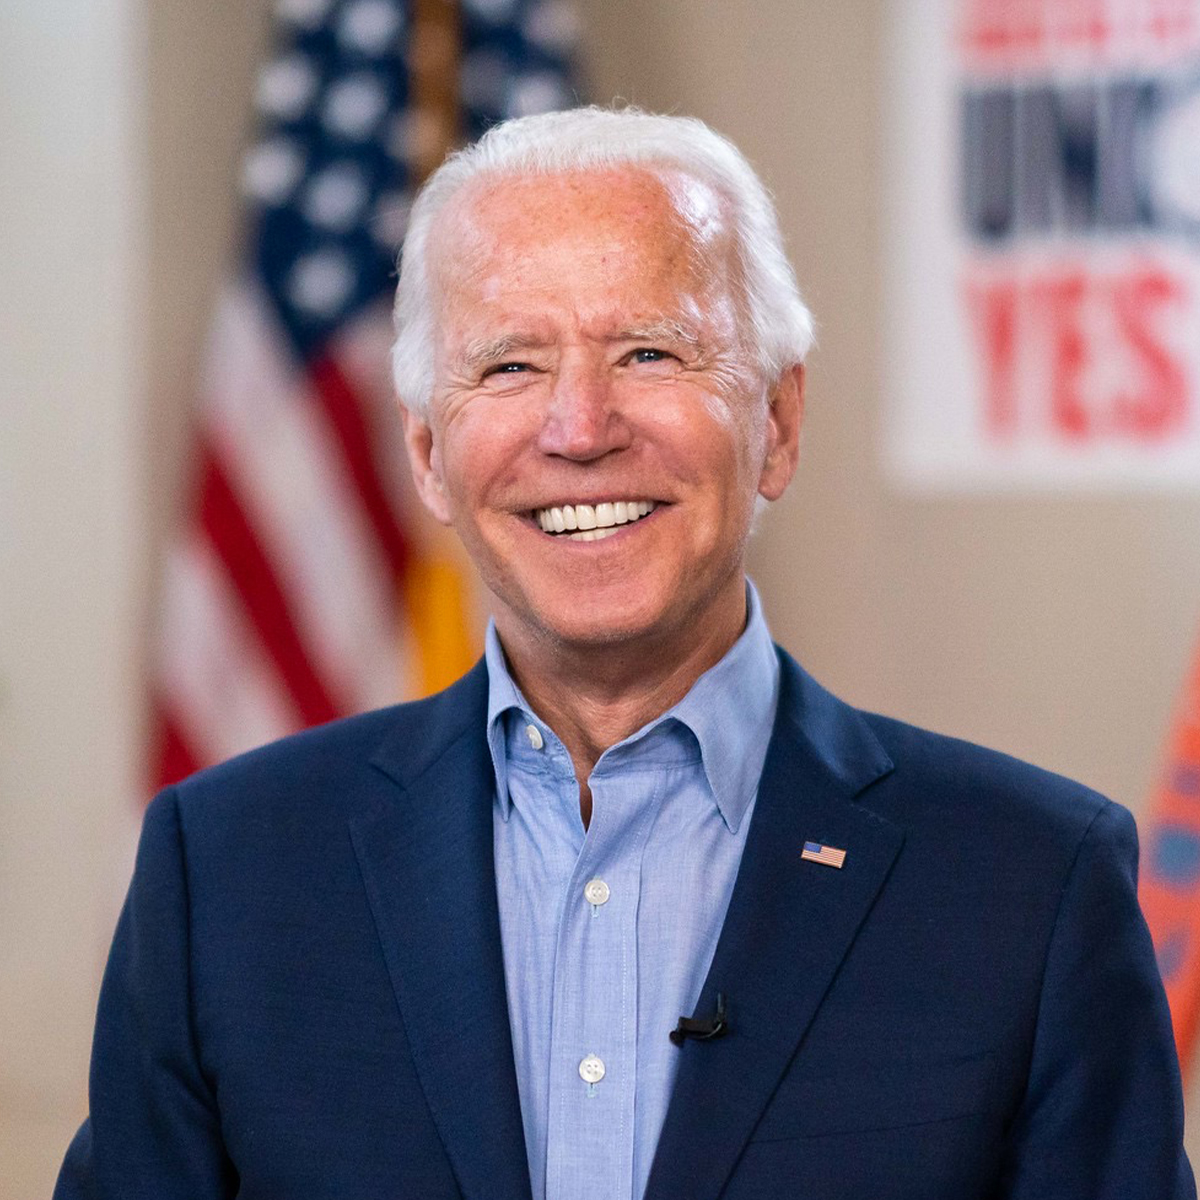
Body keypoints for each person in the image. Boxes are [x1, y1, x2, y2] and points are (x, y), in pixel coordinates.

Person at [57, 106, 1193, 1200]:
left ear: (778, 423)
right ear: (428, 456)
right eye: (509, 366)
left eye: (651, 352)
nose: (582, 427)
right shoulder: (228, 874)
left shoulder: (1032, 887)